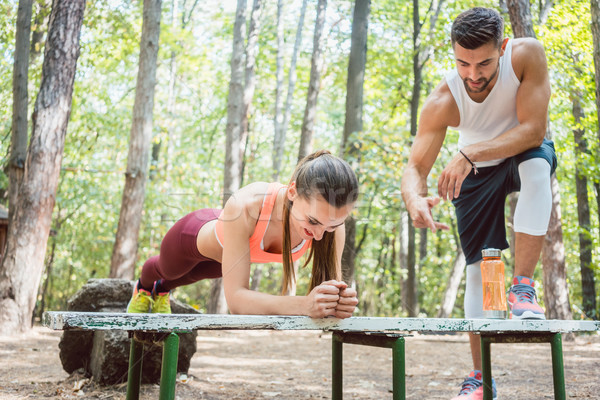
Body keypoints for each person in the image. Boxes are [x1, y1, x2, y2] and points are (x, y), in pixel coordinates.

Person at [400, 7, 557, 400]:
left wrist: (469, 153)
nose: (474, 74)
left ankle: (523, 287)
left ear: (503, 48)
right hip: (473, 176)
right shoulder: (444, 99)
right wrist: (413, 198)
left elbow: (534, 129)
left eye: (484, 62)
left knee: (537, 170)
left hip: (519, 153)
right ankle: (481, 379)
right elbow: (416, 166)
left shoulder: (526, 55)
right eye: (463, 63)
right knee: (483, 269)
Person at [127, 150, 360, 320]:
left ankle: (162, 290)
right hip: (193, 236)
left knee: (184, 279)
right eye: (312, 222)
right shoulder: (246, 204)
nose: (319, 236)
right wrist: (304, 304)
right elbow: (236, 302)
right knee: (166, 270)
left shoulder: (333, 226)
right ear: (292, 191)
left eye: (330, 227)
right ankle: (144, 287)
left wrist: (340, 303)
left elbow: (330, 298)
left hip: (229, 258)